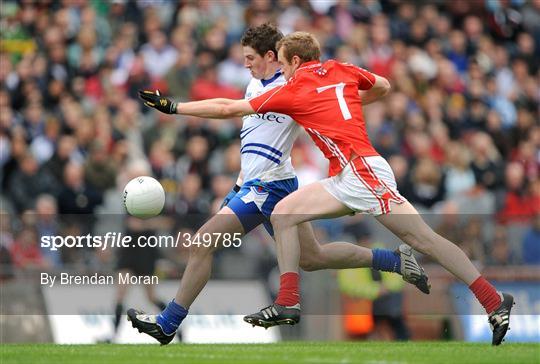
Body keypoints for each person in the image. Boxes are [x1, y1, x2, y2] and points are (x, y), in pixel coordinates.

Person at [137, 31, 515, 346]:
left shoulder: (293, 89)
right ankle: (484, 297)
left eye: (284, 64)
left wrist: (174, 107)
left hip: (359, 173)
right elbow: (382, 85)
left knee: (425, 240)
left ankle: (492, 299)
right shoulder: (341, 69)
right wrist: (349, 103)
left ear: (294, 62)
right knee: (298, 233)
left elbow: (225, 110)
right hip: (350, 171)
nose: (283, 71)